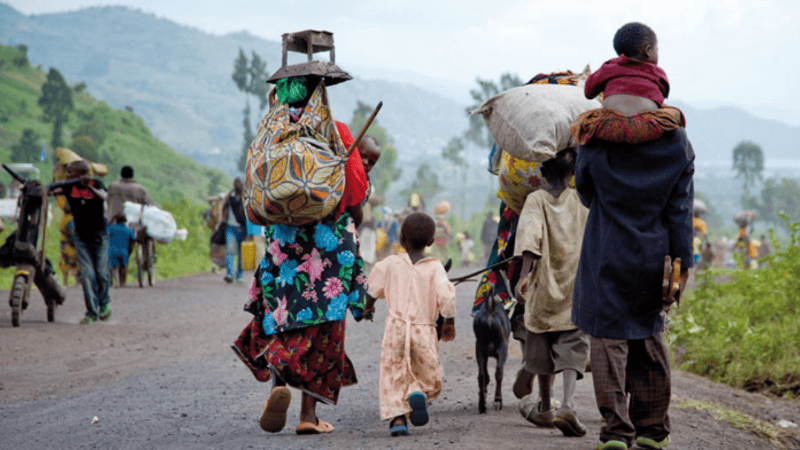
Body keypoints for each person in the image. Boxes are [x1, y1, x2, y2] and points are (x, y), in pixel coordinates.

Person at [572, 23, 694, 450]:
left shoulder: (592, 137)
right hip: (655, 254)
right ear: (648, 54)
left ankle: (615, 432)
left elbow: (585, 192)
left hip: (605, 249)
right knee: (648, 334)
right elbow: (680, 211)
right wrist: (684, 265)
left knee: (607, 341)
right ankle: (653, 430)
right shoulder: (676, 140)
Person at [232, 73, 370, 436]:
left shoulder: (268, 133)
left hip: (284, 245)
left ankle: (277, 378)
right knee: (324, 327)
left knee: (280, 314)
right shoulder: (336, 131)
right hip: (329, 246)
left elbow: (253, 202)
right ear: (319, 95)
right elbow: (355, 191)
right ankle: (309, 415)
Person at [511, 149, 590, 437]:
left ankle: (545, 406)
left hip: (543, 284)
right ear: (573, 174)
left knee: (541, 342)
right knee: (573, 342)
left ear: (541, 173)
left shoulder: (536, 200)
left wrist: (523, 276)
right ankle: (567, 404)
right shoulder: (582, 200)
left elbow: (530, 239)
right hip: (575, 285)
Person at [363, 212, 456, 437]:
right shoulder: (435, 268)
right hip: (424, 330)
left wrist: (368, 307)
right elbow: (447, 297)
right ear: (431, 242)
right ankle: (418, 393)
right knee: (427, 373)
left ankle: (397, 420)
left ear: (401, 238)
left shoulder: (390, 264)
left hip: (395, 329)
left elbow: (372, 287)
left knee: (393, 374)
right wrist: (448, 322)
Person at [572, 22, 685, 146]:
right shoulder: (657, 72)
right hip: (645, 126)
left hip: (609, 126)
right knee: (675, 113)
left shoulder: (608, 67)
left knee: (583, 120)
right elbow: (662, 96)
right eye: (656, 50)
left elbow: (588, 92)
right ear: (648, 51)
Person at [50, 160, 112, 324]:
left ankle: (104, 304)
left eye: (71, 171)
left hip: (100, 235)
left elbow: (104, 197)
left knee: (102, 273)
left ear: (80, 173)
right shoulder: (69, 186)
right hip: (81, 237)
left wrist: (89, 187)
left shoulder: (96, 183)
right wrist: (41, 188)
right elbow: (53, 190)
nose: (68, 174)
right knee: (87, 275)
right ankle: (91, 313)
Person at [216, 177, 247, 283]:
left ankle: (239, 275)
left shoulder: (246, 197)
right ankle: (229, 274)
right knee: (230, 250)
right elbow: (222, 207)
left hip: (243, 228)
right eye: (236, 183)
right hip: (230, 227)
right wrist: (221, 222)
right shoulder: (230, 196)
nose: (238, 185)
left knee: (241, 253)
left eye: (239, 183)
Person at [107, 214, 136, 288]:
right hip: (124, 252)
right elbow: (133, 239)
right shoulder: (128, 230)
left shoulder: (111, 228)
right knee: (123, 267)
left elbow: (105, 235)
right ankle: (122, 281)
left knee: (114, 267)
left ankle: (116, 281)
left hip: (112, 251)